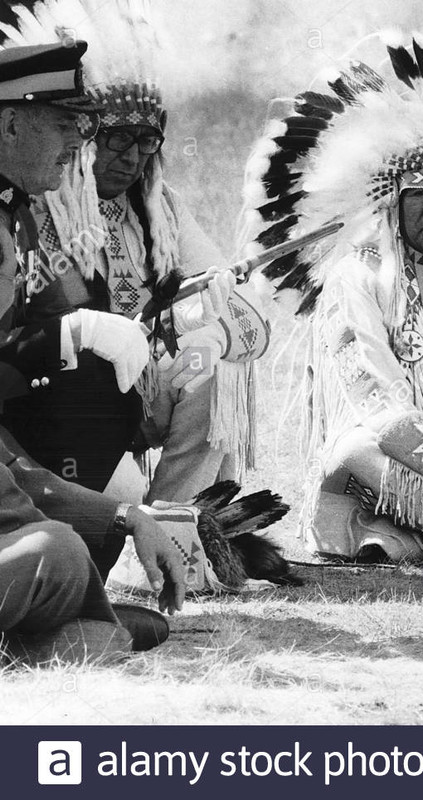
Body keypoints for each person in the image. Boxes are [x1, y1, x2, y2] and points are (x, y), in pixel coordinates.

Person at [242, 35, 423, 563]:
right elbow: (374, 397)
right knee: (356, 450)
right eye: (421, 195)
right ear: (395, 204)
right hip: (392, 468)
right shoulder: (357, 276)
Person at [0, 0, 270, 510]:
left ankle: (179, 519)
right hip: (57, 394)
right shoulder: (35, 203)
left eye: (148, 142)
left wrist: (203, 324)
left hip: (139, 383)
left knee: (213, 371)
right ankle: (119, 518)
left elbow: (243, 313)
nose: (133, 157)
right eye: (118, 139)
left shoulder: (159, 208)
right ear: (84, 137)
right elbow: (30, 327)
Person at [0, 40, 183, 663]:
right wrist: (65, 335)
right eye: (64, 125)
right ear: (9, 123)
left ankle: (57, 617)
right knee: (56, 555)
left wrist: (125, 514)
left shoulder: (16, 215)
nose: (77, 143)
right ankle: (46, 626)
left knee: (67, 561)